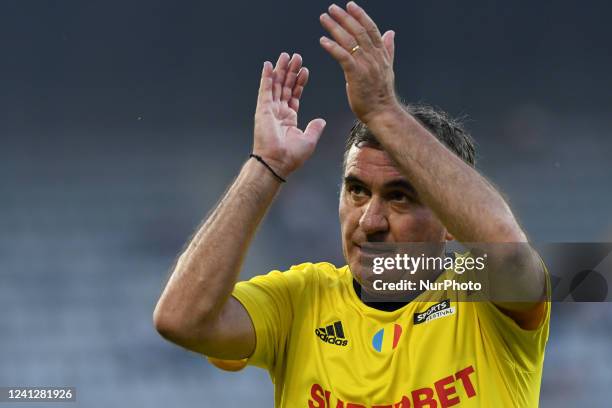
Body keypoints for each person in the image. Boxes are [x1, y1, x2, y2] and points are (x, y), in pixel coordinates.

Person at [154, 2, 550, 407]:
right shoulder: (302, 299)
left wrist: (382, 111)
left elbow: (506, 249)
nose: (370, 220)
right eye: (357, 191)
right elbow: (180, 320)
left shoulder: (480, 293)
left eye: (400, 197)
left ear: (450, 220)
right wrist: (266, 166)